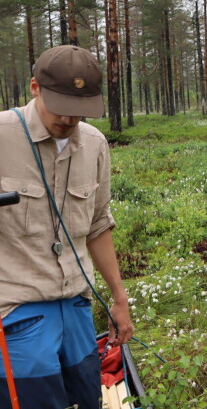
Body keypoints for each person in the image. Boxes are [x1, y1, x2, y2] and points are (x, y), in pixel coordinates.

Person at [0, 46, 133, 409]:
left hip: (76, 305)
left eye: (80, 109)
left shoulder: (94, 144)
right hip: (17, 312)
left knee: (87, 397)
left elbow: (98, 226)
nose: (69, 118)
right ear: (34, 87)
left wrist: (119, 300)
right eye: (60, 104)